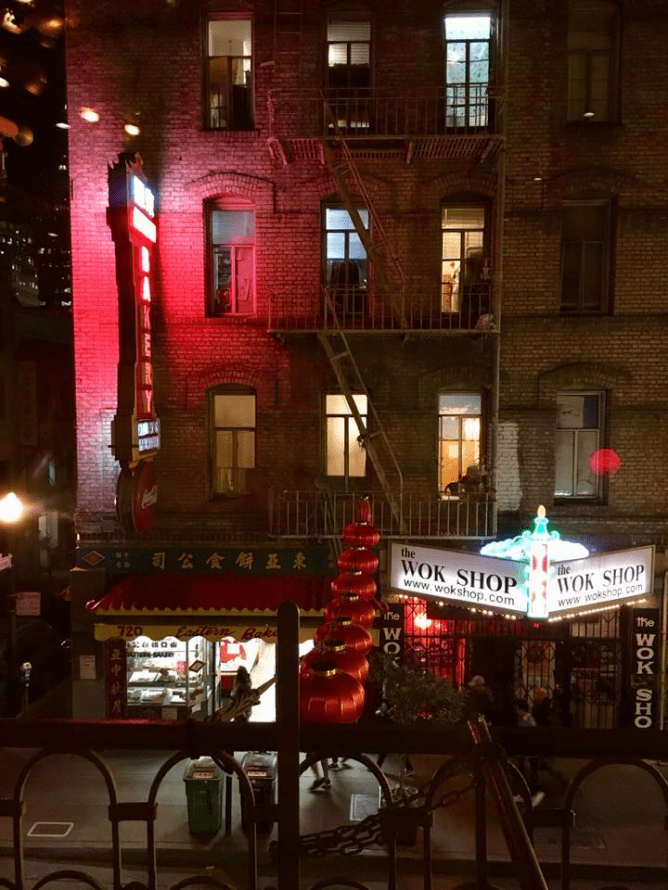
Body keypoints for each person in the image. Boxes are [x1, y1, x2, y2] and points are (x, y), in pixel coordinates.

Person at [514, 698, 544, 808]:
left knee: (530, 774)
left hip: (529, 751)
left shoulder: (528, 720)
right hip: (526, 751)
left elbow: (529, 737)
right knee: (523, 772)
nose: (516, 711)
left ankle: (533, 793)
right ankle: (524, 793)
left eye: (517, 709)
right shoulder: (525, 719)